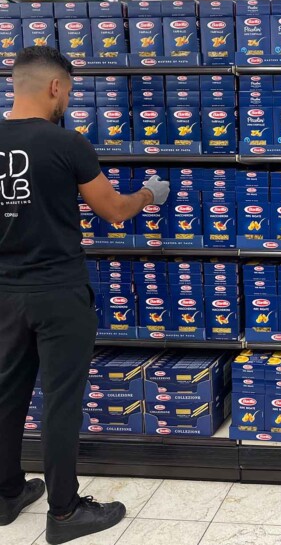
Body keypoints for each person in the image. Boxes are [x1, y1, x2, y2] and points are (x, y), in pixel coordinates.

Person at [0, 47, 169, 544]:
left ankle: (6, 494)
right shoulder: (66, 143)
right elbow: (112, 210)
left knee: (6, 394)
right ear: (55, 87)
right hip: (58, 291)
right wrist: (148, 195)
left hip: (4, 291)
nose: (68, 101)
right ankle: (65, 512)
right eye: (69, 92)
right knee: (61, 401)